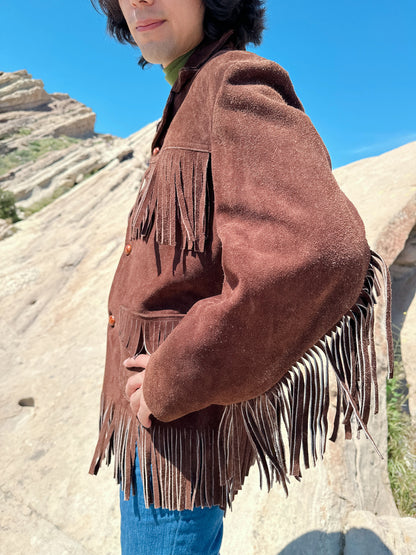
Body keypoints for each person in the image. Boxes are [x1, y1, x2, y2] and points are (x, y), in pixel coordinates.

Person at [89, 1, 393, 553]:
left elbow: (320, 249)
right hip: (153, 444)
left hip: (175, 450)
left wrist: (169, 379)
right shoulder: (187, 96)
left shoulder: (228, 81)